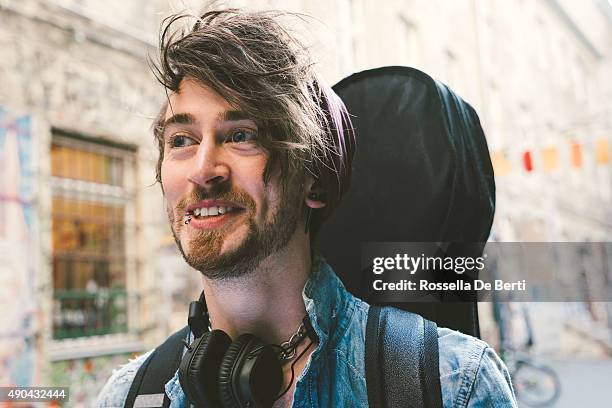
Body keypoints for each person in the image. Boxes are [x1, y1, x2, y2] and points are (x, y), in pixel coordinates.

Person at [97, 8, 517, 408]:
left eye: (241, 135)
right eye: (182, 140)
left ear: (313, 177)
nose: (203, 169)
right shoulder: (130, 396)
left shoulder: (454, 384)